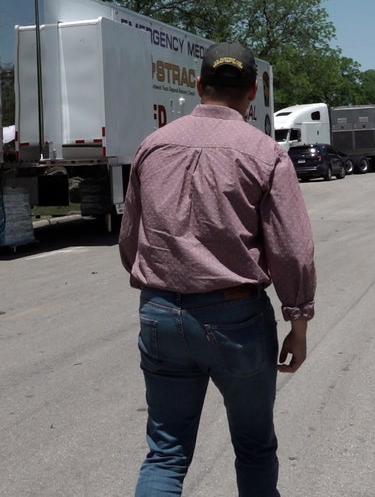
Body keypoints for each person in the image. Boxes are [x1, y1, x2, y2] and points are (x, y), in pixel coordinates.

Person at [119, 42, 317, 496]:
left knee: (166, 455)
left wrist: (162, 288)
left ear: (197, 85)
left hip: (161, 314)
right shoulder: (265, 153)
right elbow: (293, 252)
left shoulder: (153, 146)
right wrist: (298, 322)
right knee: (253, 448)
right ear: (252, 92)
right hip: (236, 320)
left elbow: (130, 240)